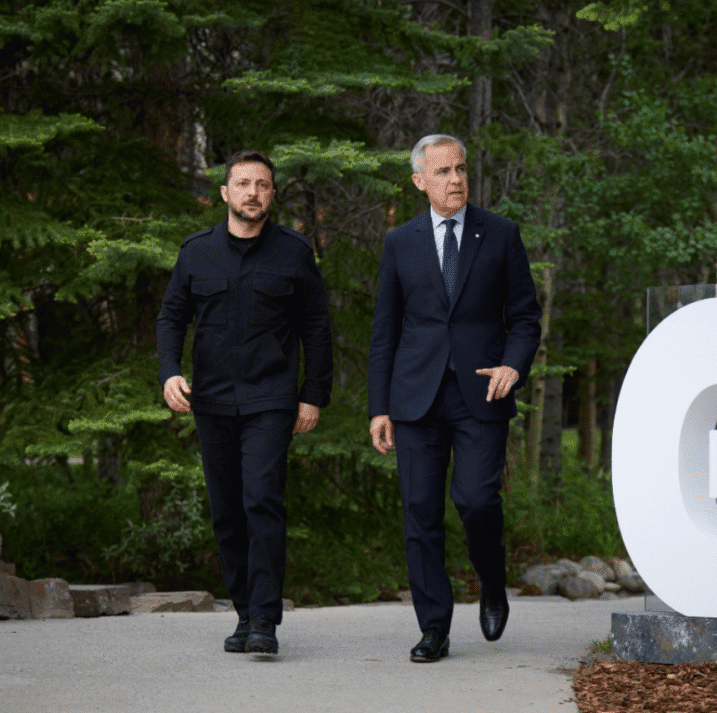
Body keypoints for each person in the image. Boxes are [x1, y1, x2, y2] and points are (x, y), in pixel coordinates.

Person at [368, 134, 542, 663]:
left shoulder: (501, 234)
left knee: (475, 499)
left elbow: (526, 317)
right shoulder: (401, 241)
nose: (456, 180)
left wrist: (514, 363)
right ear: (420, 181)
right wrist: (379, 406)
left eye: (461, 168)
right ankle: (434, 629)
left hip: (481, 391)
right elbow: (385, 332)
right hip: (415, 396)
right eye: (443, 172)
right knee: (420, 513)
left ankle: (492, 581)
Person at [156, 150, 333, 655]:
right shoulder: (196, 252)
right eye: (243, 183)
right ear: (226, 193)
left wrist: (312, 395)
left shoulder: (294, 253)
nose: (253, 192)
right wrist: (170, 371)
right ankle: (243, 614)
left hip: (271, 399)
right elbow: (171, 317)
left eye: (263, 184)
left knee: (262, 500)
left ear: (272, 194)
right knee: (227, 511)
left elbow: (317, 328)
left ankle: (265, 621)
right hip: (210, 401)